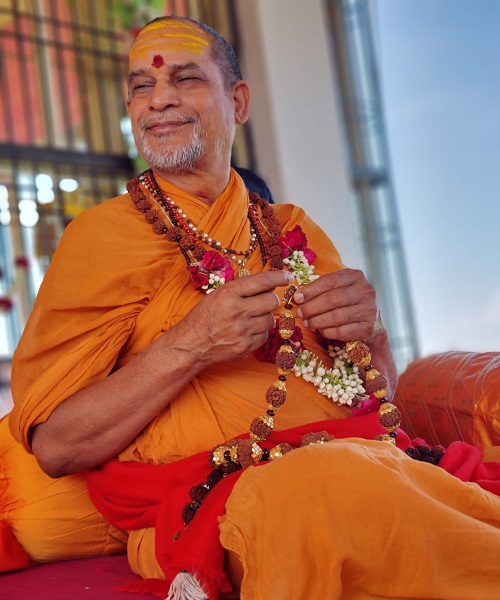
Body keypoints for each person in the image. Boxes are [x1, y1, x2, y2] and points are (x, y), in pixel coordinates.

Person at [1, 15, 500, 600]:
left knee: (361, 480)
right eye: (141, 86)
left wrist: (375, 333)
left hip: (365, 460)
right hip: (210, 505)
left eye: (184, 79)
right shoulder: (99, 238)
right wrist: (192, 344)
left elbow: (379, 399)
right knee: (324, 489)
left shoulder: (292, 230)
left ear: (237, 101)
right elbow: (59, 448)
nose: (159, 99)